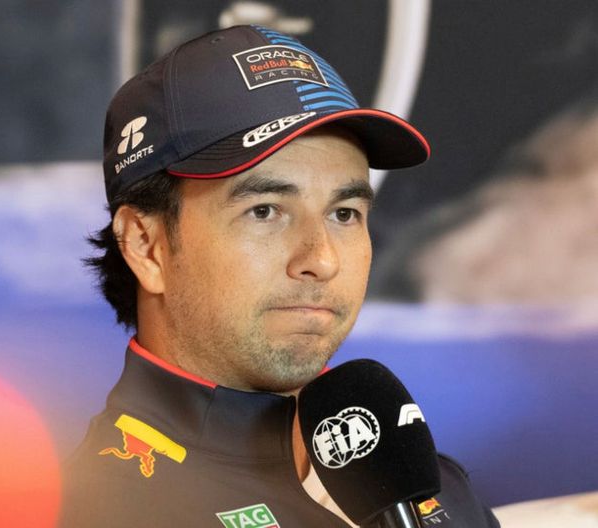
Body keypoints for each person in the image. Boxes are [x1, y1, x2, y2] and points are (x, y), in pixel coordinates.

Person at [59, 25, 499, 527]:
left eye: (345, 213)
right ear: (146, 246)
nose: (322, 259)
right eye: (265, 211)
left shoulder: (435, 488)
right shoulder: (101, 512)